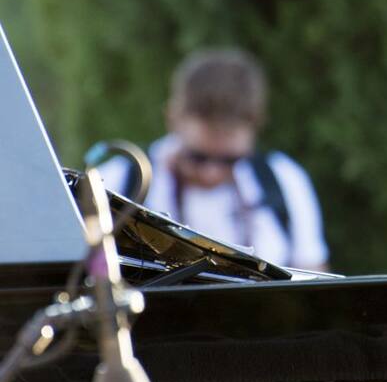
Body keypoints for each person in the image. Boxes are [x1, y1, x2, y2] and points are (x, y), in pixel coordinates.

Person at [100, 48, 330, 272]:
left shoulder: (283, 180)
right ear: (172, 119)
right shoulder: (118, 181)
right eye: (198, 157)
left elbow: (311, 274)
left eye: (230, 161)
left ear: (256, 128)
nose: (211, 173)